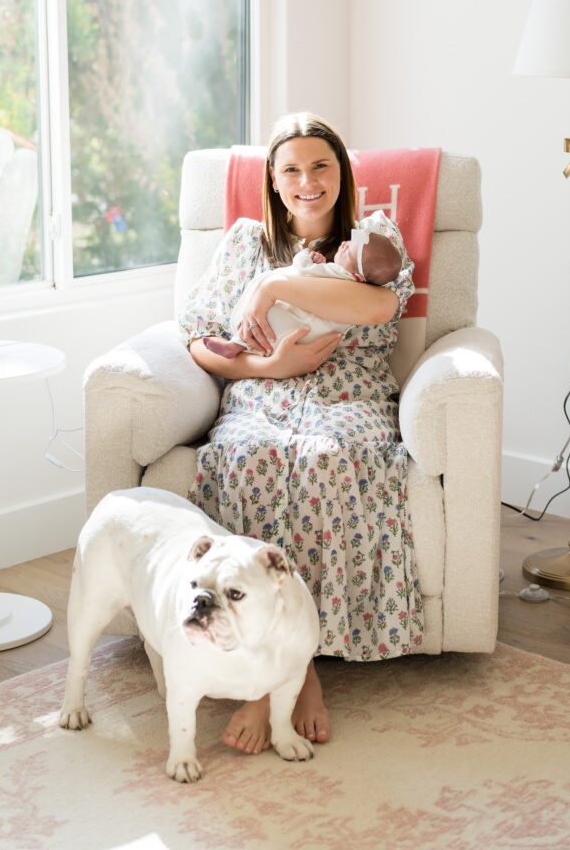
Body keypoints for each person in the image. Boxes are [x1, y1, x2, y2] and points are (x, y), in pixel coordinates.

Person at [178, 111, 423, 756]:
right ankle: (292, 672)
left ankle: (282, 670)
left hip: (351, 394)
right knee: (245, 455)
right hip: (263, 391)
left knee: (325, 462)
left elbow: (377, 308)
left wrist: (275, 287)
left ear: (342, 174)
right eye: (291, 169)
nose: (307, 180)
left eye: (321, 166)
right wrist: (269, 365)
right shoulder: (241, 242)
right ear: (273, 179)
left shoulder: (372, 238)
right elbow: (199, 336)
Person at [202, 221, 402, 360]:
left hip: (294, 325)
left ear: (358, 277)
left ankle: (236, 345)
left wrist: (305, 256)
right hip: (305, 337)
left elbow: (302, 271)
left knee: (269, 319)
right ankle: (240, 347)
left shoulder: (340, 275)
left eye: (348, 249)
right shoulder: (353, 288)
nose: (343, 244)